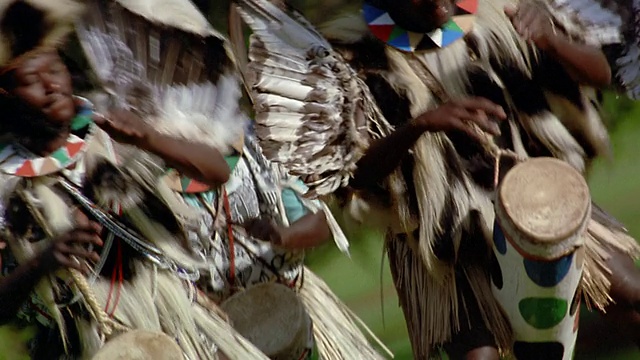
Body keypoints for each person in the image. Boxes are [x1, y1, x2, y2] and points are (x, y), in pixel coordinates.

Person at [230, 0, 640, 358]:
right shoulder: (354, 61)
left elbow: (600, 74)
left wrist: (550, 39)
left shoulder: (499, 16)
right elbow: (353, 177)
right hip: (442, 246)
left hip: (532, 201)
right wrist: (421, 125)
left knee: (633, 296)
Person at [75, 0, 389, 359]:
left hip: (283, 306)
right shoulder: (132, 177)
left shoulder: (264, 147)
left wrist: (285, 235)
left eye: (184, 64)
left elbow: (320, 223)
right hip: (206, 334)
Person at [0, 0, 269, 359]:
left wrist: (149, 138)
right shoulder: (7, 188)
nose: (52, 85)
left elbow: (216, 171)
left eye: (55, 68)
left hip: (181, 330)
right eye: (32, 80)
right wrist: (41, 263)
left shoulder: (111, 133)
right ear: (6, 97)